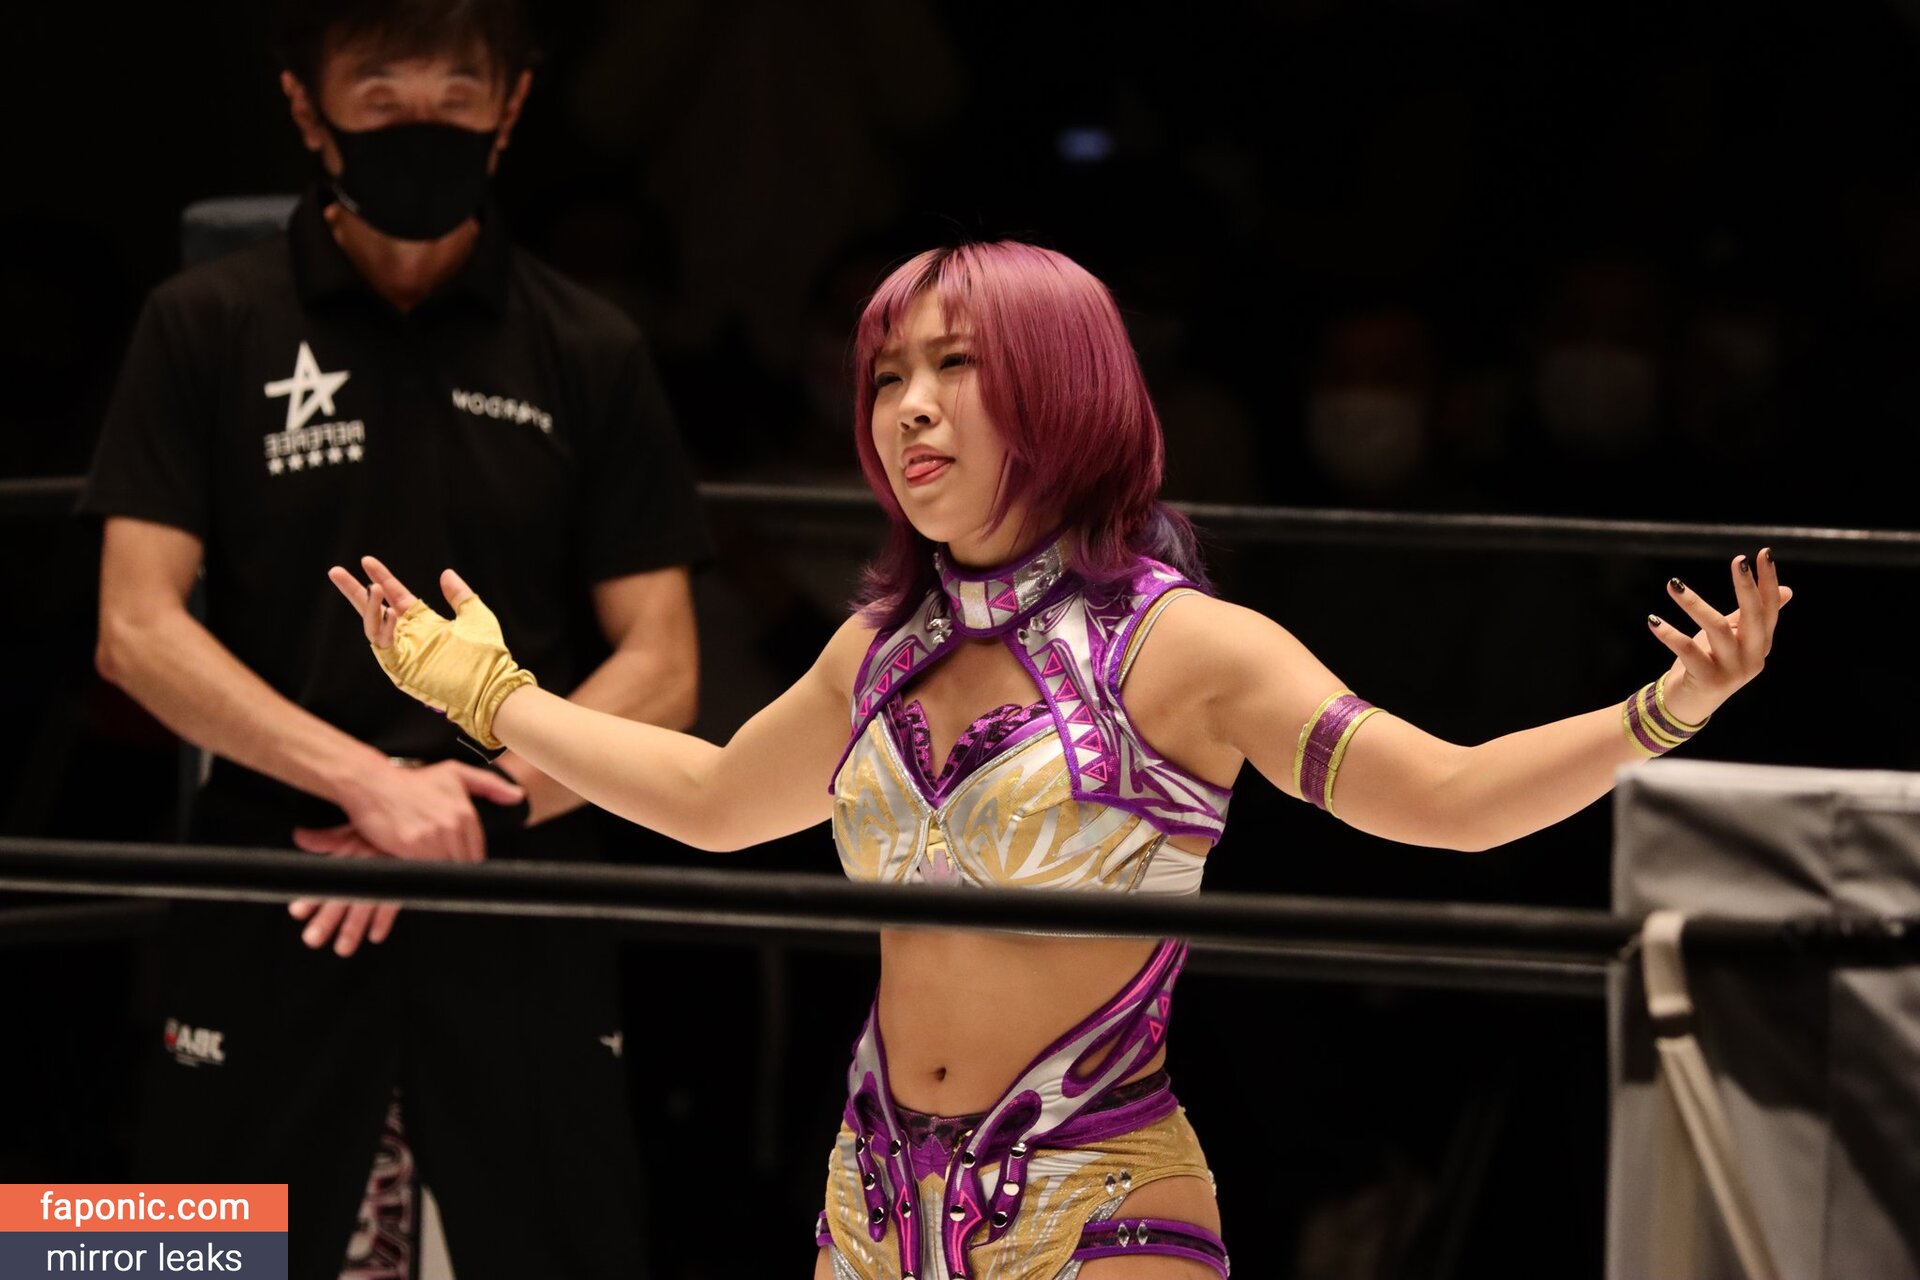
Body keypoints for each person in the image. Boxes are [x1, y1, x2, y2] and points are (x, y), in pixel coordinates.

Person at [326, 241, 1789, 1280]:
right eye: (888, 373)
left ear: (1062, 388)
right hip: (872, 1201)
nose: (907, 405)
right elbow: (713, 804)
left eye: (954, 366)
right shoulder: (878, 645)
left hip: (1100, 1205)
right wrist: (492, 693)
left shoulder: (1187, 647)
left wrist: (1656, 715)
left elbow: (1451, 802)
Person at [80, 1, 710, 1275]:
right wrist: (369, 784)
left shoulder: (590, 346)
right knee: (175, 1251)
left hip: (522, 871)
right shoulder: (200, 322)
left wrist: (461, 807)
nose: (420, 122)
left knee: (565, 1243)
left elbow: (665, 662)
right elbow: (134, 627)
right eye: (380, 96)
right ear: (307, 108)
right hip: (276, 868)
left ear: (510, 108)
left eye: (454, 95)